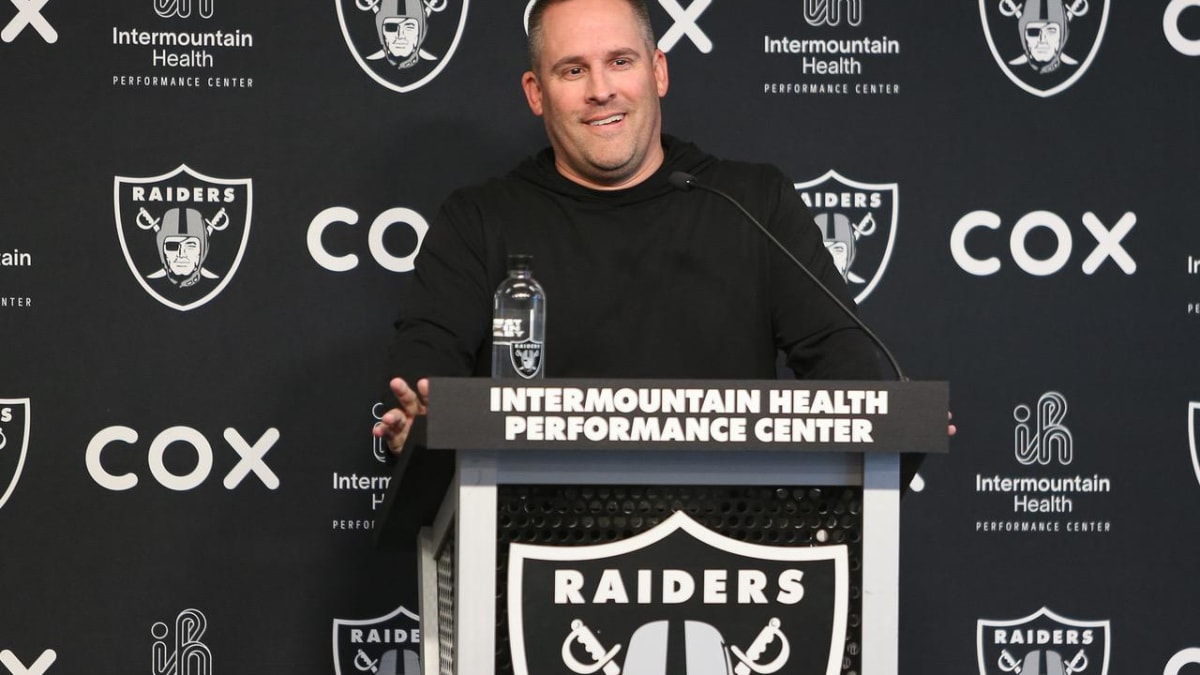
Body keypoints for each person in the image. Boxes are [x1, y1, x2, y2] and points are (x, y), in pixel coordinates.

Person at [374, 0, 953, 453]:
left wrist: (888, 420)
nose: (601, 89)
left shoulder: (750, 200)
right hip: (534, 547)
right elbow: (425, 366)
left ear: (658, 72)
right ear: (536, 94)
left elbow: (843, 360)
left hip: (735, 553)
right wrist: (421, 424)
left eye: (620, 62)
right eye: (573, 69)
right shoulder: (480, 218)